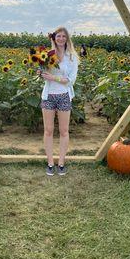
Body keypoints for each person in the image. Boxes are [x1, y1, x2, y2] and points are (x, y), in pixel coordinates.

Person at [38, 27, 79, 176]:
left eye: (64, 36)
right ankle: (50, 163)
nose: (61, 38)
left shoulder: (72, 57)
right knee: (48, 130)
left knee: (63, 131)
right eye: (58, 36)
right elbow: (43, 71)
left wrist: (53, 77)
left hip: (63, 96)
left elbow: (70, 81)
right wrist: (40, 72)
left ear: (67, 39)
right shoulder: (48, 55)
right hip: (48, 96)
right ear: (54, 38)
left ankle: (61, 163)